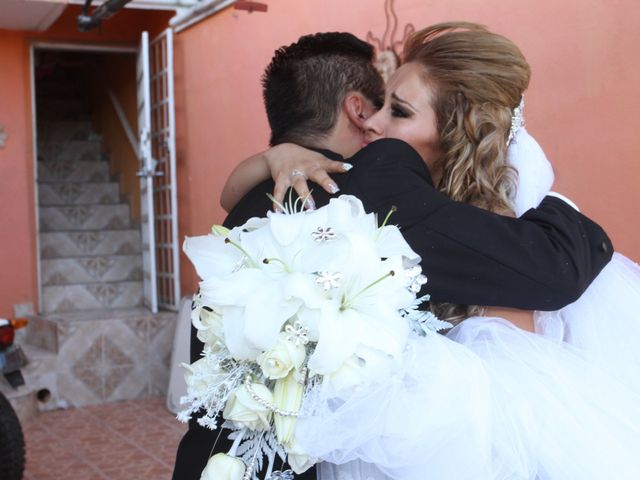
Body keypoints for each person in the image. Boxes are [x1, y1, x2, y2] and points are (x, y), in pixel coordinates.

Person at [173, 30, 613, 480]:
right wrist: (568, 211)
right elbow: (552, 272)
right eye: (380, 106)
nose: (375, 127)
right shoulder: (380, 180)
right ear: (355, 107)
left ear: (458, 132)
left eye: (398, 110)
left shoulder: (262, 191)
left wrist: (272, 156)